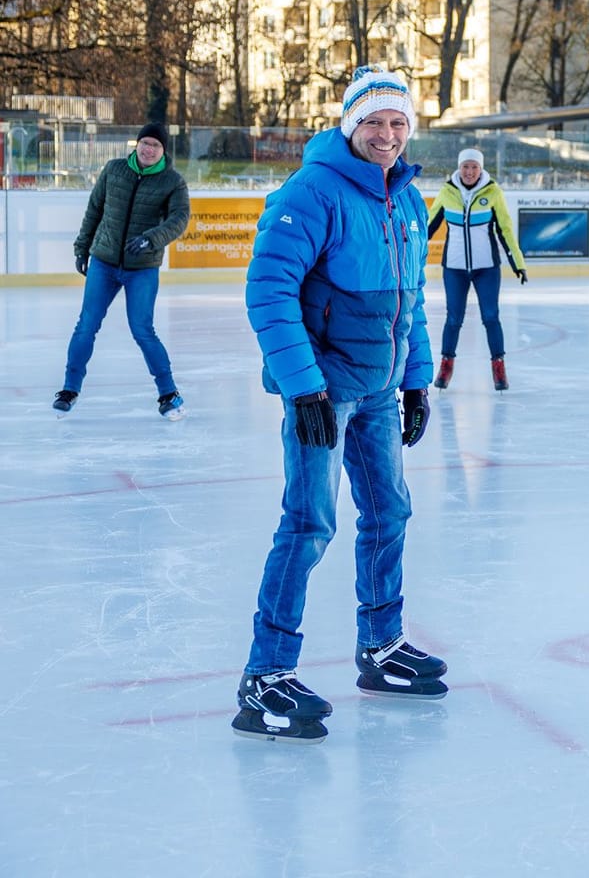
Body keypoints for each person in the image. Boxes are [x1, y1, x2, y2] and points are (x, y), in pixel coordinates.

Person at [235, 66, 445, 743]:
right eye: (375, 123)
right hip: (324, 391)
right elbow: (268, 290)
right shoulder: (312, 191)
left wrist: (416, 381)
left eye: (397, 124)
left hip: (380, 390)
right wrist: (303, 388)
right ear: (351, 125)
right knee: (309, 523)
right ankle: (265, 676)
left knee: (390, 510)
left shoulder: (405, 200)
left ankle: (381, 647)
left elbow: (407, 303)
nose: (387, 135)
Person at [55, 122, 191, 419]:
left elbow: (179, 220)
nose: (149, 149)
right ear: (137, 144)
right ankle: (69, 389)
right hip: (103, 261)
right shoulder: (114, 169)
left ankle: (169, 394)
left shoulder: (172, 182)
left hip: (141, 267)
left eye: (155, 145)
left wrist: (150, 239)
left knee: (142, 329)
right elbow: (95, 209)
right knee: (86, 325)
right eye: (145, 143)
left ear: (163, 150)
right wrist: (82, 247)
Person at [426, 148, 527, 391]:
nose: (469, 171)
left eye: (474, 167)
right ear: (459, 168)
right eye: (465, 167)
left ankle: (498, 367)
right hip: (454, 268)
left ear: (481, 169)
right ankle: (446, 364)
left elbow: (505, 230)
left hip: (486, 268)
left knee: (491, 317)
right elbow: (429, 226)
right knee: (453, 319)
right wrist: (411, 256)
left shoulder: (492, 193)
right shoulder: (447, 192)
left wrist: (518, 263)